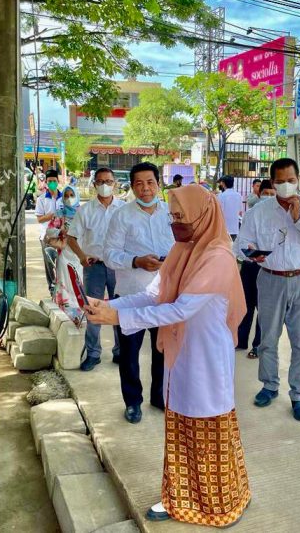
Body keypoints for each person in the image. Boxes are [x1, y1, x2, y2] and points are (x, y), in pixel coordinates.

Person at [86, 185, 251, 527]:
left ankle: (221, 504)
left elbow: (179, 310)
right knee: (180, 428)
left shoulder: (217, 257)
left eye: (181, 216)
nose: (175, 223)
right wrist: (108, 306)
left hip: (206, 358)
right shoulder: (182, 250)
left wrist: (118, 318)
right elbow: (152, 294)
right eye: (173, 216)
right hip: (181, 355)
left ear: (203, 215)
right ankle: (180, 498)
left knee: (208, 428)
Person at [239, 157, 300, 422]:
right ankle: (269, 385)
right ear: (272, 182)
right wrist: (250, 254)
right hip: (270, 278)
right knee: (268, 337)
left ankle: (299, 394)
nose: (285, 186)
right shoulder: (258, 211)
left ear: (298, 179)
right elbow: (242, 244)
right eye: (279, 182)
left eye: (290, 181)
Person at [103, 162, 174, 424]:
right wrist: (136, 261)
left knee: (163, 349)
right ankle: (133, 402)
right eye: (139, 184)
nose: (145, 189)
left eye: (150, 182)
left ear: (159, 184)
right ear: (132, 187)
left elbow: (182, 246)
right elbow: (109, 254)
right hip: (131, 294)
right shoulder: (122, 216)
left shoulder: (171, 213)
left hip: (165, 295)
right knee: (129, 355)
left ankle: (159, 396)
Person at [67, 167, 124, 371]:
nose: (104, 185)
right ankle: (93, 353)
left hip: (119, 268)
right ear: (94, 185)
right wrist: (82, 257)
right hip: (94, 268)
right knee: (92, 309)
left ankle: (120, 352)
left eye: (108, 181)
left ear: (115, 183)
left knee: (120, 308)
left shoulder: (124, 209)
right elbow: (71, 237)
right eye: (100, 182)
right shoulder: (86, 210)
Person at [235, 180, 276, 359]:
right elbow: (240, 242)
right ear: (259, 195)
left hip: (267, 268)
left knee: (263, 308)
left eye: (272, 194)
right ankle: (240, 340)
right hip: (250, 266)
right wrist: (248, 253)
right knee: (246, 305)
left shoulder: (281, 216)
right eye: (266, 193)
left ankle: (258, 345)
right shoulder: (251, 214)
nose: (268, 197)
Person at [46, 186, 85, 323]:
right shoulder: (59, 213)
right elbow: (49, 232)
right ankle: (66, 316)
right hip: (65, 255)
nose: (69, 198)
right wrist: (60, 231)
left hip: (81, 256)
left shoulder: (84, 213)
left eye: (72, 195)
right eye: (66, 195)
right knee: (65, 285)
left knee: (80, 284)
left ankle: (81, 314)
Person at [35, 169, 63, 292]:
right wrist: (52, 215)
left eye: (54, 181)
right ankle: (52, 289)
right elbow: (39, 219)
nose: (52, 183)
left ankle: (62, 288)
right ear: (46, 182)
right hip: (46, 237)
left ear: (58, 181)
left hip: (62, 237)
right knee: (49, 264)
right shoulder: (41, 199)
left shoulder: (65, 198)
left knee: (62, 264)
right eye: (50, 181)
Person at [217, 175, 242, 240]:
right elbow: (240, 211)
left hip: (224, 227)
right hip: (235, 227)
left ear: (223, 183)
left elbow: (219, 212)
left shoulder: (221, 196)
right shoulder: (238, 195)